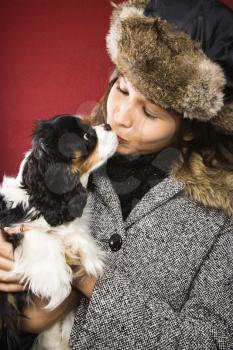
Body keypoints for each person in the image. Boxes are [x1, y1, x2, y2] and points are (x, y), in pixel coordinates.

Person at [0, 0, 233, 348]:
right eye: (122, 88)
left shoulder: (222, 218)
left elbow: (210, 341)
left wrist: (82, 272)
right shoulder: (64, 155)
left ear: (190, 129)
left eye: (150, 113)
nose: (120, 116)